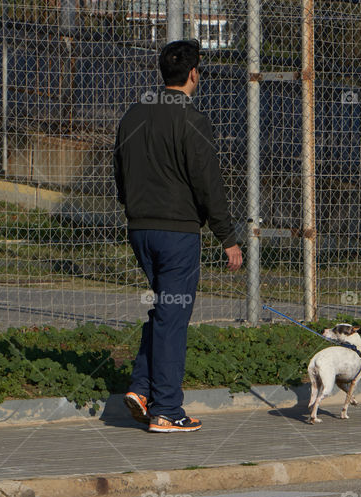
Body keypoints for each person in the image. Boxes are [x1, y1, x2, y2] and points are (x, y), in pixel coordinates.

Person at [113, 39, 242, 433]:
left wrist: (131, 206)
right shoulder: (192, 120)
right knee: (174, 318)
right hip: (177, 234)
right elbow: (209, 184)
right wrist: (227, 236)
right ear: (193, 74)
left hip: (140, 230)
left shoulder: (133, 114)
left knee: (164, 312)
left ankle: (141, 388)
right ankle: (167, 409)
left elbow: (118, 166)